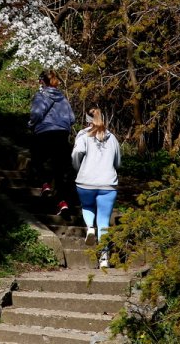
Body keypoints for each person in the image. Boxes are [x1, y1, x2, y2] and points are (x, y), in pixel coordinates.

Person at [71, 108, 121, 268]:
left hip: (86, 182)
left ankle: (90, 228)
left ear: (87, 120)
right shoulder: (112, 137)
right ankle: (104, 258)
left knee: (87, 206)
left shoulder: (83, 135)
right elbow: (118, 162)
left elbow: (77, 153)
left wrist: (79, 168)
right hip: (108, 184)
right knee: (104, 222)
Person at [27, 71, 75, 216]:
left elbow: (36, 114)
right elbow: (72, 118)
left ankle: (45, 184)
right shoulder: (63, 99)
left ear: (43, 82)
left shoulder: (40, 96)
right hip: (62, 135)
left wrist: (31, 124)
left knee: (36, 160)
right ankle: (63, 203)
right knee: (59, 170)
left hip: (45, 133)